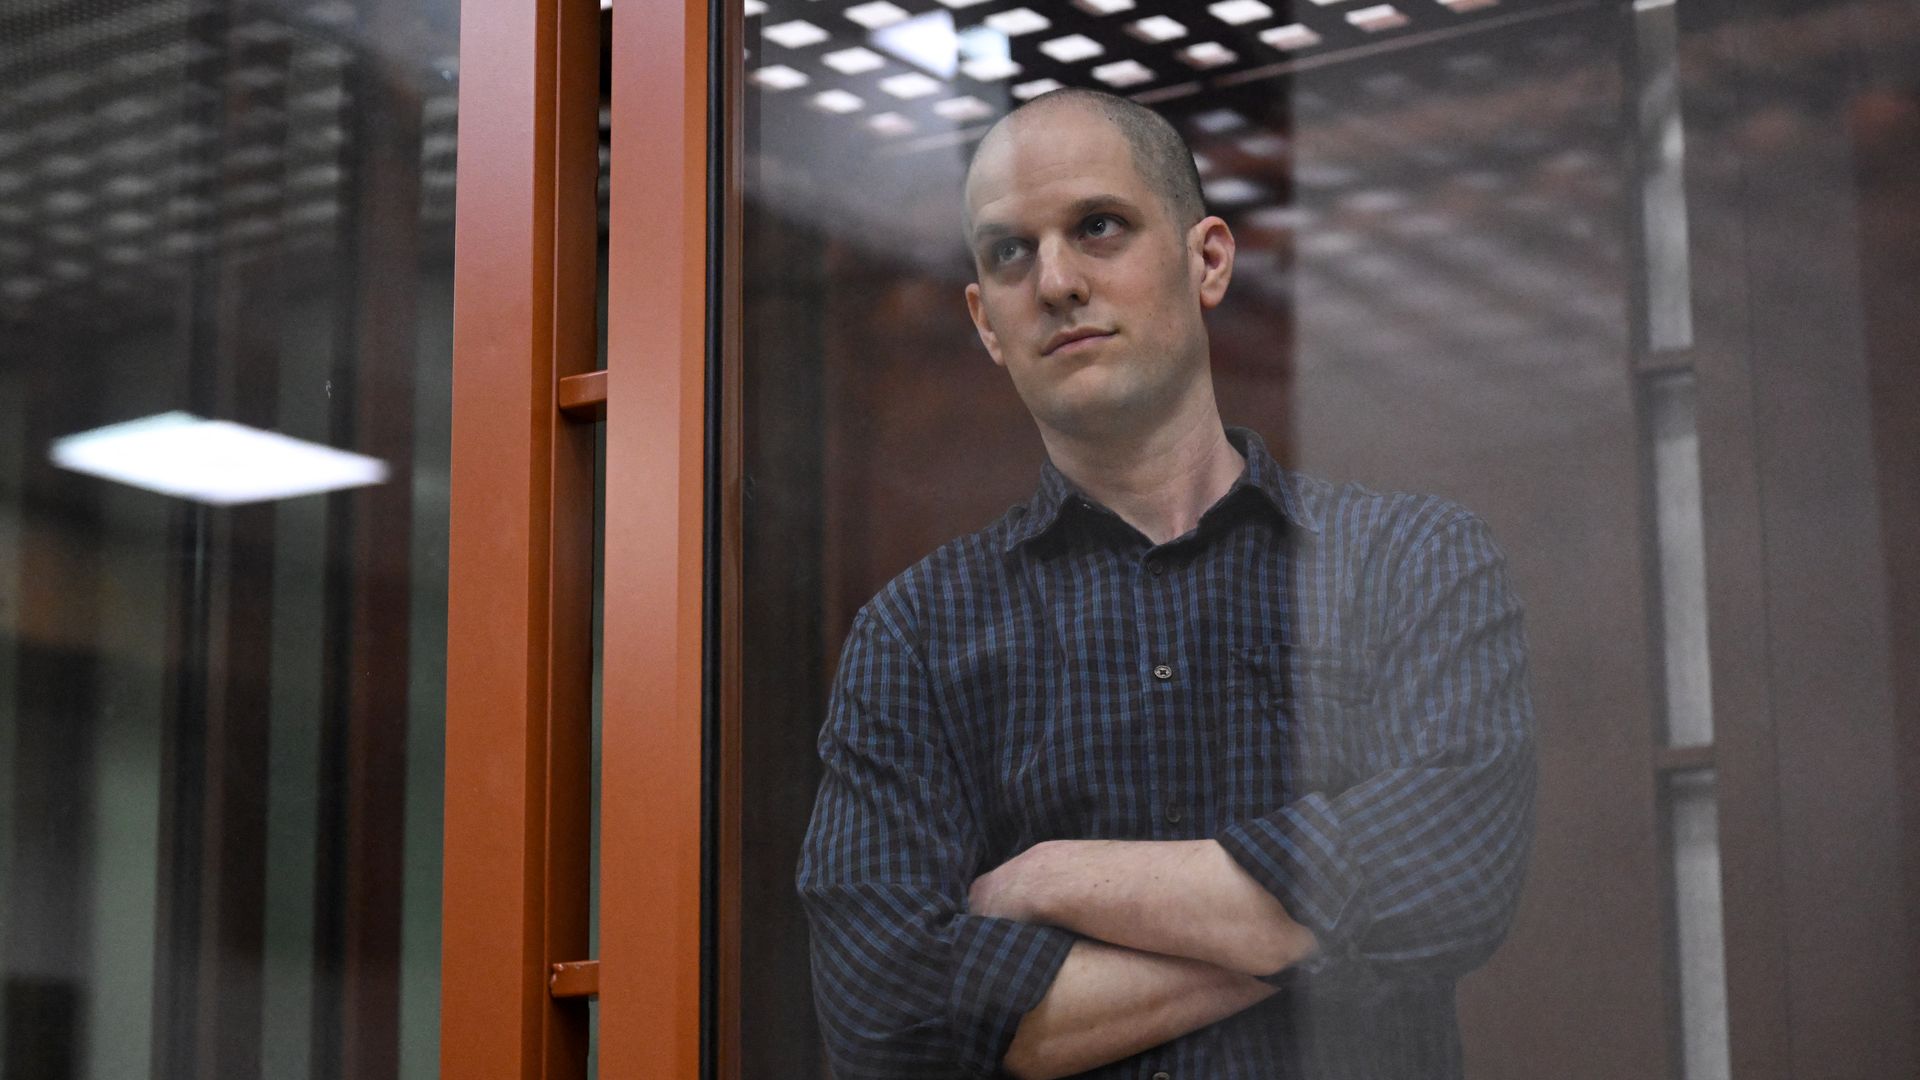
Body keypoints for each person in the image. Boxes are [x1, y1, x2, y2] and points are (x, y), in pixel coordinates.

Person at [796, 87, 1536, 1080]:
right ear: (983, 320)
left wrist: (1058, 879)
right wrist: (1315, 934)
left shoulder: (1410, 562)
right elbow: (889, 1019)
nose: (1056, 280)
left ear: (1209, 260)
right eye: (1010, 253)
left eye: (1098, 227)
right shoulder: (917, 638)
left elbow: (1452, 874)